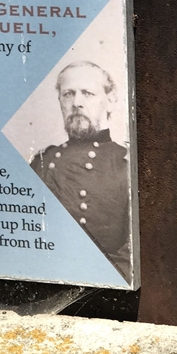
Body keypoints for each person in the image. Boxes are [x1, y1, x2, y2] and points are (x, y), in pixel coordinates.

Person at [30, 61, 132, 282]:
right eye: (68, 94)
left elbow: (132, 255)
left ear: (110, 101)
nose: (76, 102)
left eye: (88, 93)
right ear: (60, 102)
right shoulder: (42, 162)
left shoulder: (126, 164)